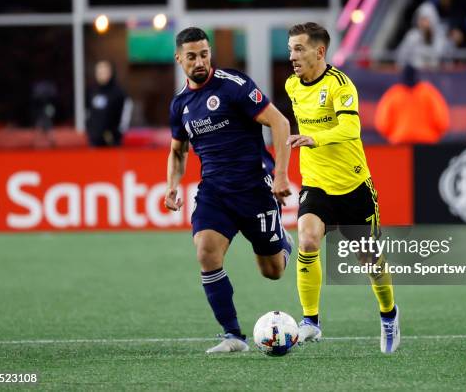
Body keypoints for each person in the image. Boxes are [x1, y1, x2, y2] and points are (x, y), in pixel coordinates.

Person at [164, 27, 293, 353]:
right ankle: (233, 335)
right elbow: (177, 151)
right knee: (206, 251)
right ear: (179, 59)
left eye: (204, 54)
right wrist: (172, 185)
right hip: (214, 193)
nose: (199, 61)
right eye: (191, 56)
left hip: (254, 188)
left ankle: (284, 244)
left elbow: (280, 123)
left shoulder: (234, 86)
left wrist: (280, 175)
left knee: (273, 271)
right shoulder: (180, 104)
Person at [285, 22, 400, 354]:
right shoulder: (292, 85)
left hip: (352, 184)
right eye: (291, 48)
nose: (292, 56)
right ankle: (310, 322)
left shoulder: (340, 85)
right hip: (316, 183)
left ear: (320, 52)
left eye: (299, 49)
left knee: (369, 259)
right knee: (307, 238)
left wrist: (314, 137)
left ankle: (389, 314)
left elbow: (351, 128)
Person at [375, 65, 450, 144]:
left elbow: (383, 124)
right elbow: (442, 121)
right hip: (426, 142)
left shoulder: (393, 94)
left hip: (400, 143)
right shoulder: (429, 93)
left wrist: (394, 135)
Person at [86, 60, 128, 147]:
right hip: (94, 140)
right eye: (99, 72)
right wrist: (90, 131)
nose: (101, 74)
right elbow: (87, 112)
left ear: (110, 72)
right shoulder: (92, 91)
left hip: (112, 141)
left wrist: (116, 135)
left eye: (104, 72)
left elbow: (124, 116)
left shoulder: (118, 93)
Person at [397, 2, 450, 69]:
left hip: (436, 75)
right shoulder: (412, 36)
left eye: (425, 19)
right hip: (415, 75)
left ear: (432, 19)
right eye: (420, 19)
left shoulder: (440, 37)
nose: (421, 22)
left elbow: (445, 60)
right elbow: (401, 57)